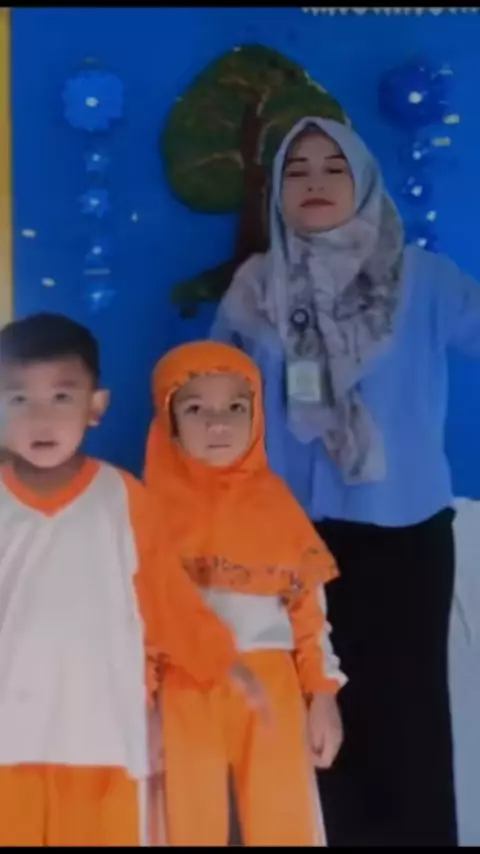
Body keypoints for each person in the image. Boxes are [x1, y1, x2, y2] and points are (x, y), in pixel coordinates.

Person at [210, 115, 480, 846]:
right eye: (296, 170)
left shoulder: (422, 278)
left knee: (409, 715)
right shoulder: (254, 289)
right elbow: (211, 393)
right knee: (315, 715)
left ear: (362, 181)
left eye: (333, 167)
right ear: (276, 192)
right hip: (290, 538)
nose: (315, 183)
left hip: (405, 530)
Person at [0, 312, 264, 847]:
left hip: (102, 735)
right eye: (18, 398)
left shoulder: (122, 498)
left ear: (96, 406)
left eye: (62, 396)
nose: (41, 418)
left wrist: (222, 662)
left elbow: (165, 598)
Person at [144, 339, 346, 846]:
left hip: (271, 682)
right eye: (196, 409)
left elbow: (308, 613)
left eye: (236, 407)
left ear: (256, 415)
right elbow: (140, 621)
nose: (219, 424)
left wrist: (322, 696)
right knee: (186, 822)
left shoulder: (277, 506)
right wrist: (143, 708)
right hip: (183, 687)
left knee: (283, 819)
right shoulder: (146, 513)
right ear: (168, 420)